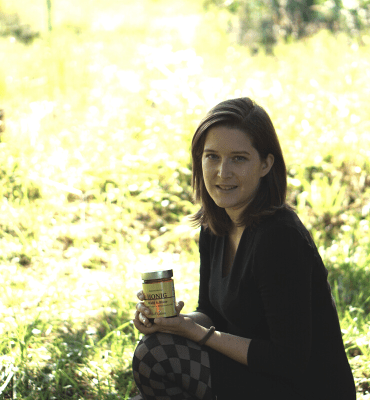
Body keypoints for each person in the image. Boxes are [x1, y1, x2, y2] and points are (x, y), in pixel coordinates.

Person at [132, 97, 356, 400]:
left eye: (238, 158)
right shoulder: (216, 225)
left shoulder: (280, 238)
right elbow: (211, 312)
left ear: (265, 164)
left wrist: (199, 334)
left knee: (155, 356)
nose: (223, 172)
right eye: (212, 156)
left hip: (302, 387)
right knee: (155, 350)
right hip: (253, 375)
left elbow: (288, 360)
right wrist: (171, 322)